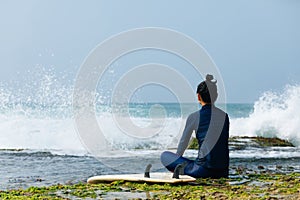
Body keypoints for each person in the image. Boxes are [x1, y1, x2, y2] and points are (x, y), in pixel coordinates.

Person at [161, 74, 229, 178]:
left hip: (203, 171)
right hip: (223, 171)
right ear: (216, 96)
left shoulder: (194, 117)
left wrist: (177, 162)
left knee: (164, 156)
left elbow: (183, 143)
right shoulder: (225, 116)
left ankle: (185, 169)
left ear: (198, 96)